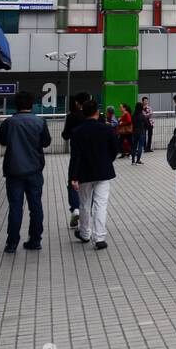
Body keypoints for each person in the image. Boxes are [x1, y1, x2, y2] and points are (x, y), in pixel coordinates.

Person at [0, 90, 51, 253]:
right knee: (36, 206)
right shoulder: (39, 122)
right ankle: (35, 240)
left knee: (15, 207)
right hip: (34, 170)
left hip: (13, 171)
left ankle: (12, 243)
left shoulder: (9, 123)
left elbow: (2, 140)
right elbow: (46, 142)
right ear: (32, 104)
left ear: (16, 105)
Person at [68, 99, 120, 251]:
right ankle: (100, 238)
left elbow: (75, 156)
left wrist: (73, 177)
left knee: (84, 204)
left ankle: (84, 233)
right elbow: (115, 149)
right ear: (97, 113)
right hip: (103, 172)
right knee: (101, 204)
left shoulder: (77, 132)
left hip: (84, 173)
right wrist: (107, 161)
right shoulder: (107, 129)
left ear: (84, 114)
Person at [61, 90, 90, 228]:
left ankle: (75, 208)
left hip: (76, 154)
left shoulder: (72, 116)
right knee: (90, 183)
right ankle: (88, 211)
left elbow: (65, 136)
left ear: (77, 103)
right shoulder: (94, 115)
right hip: (92, 155)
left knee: (73, 180)